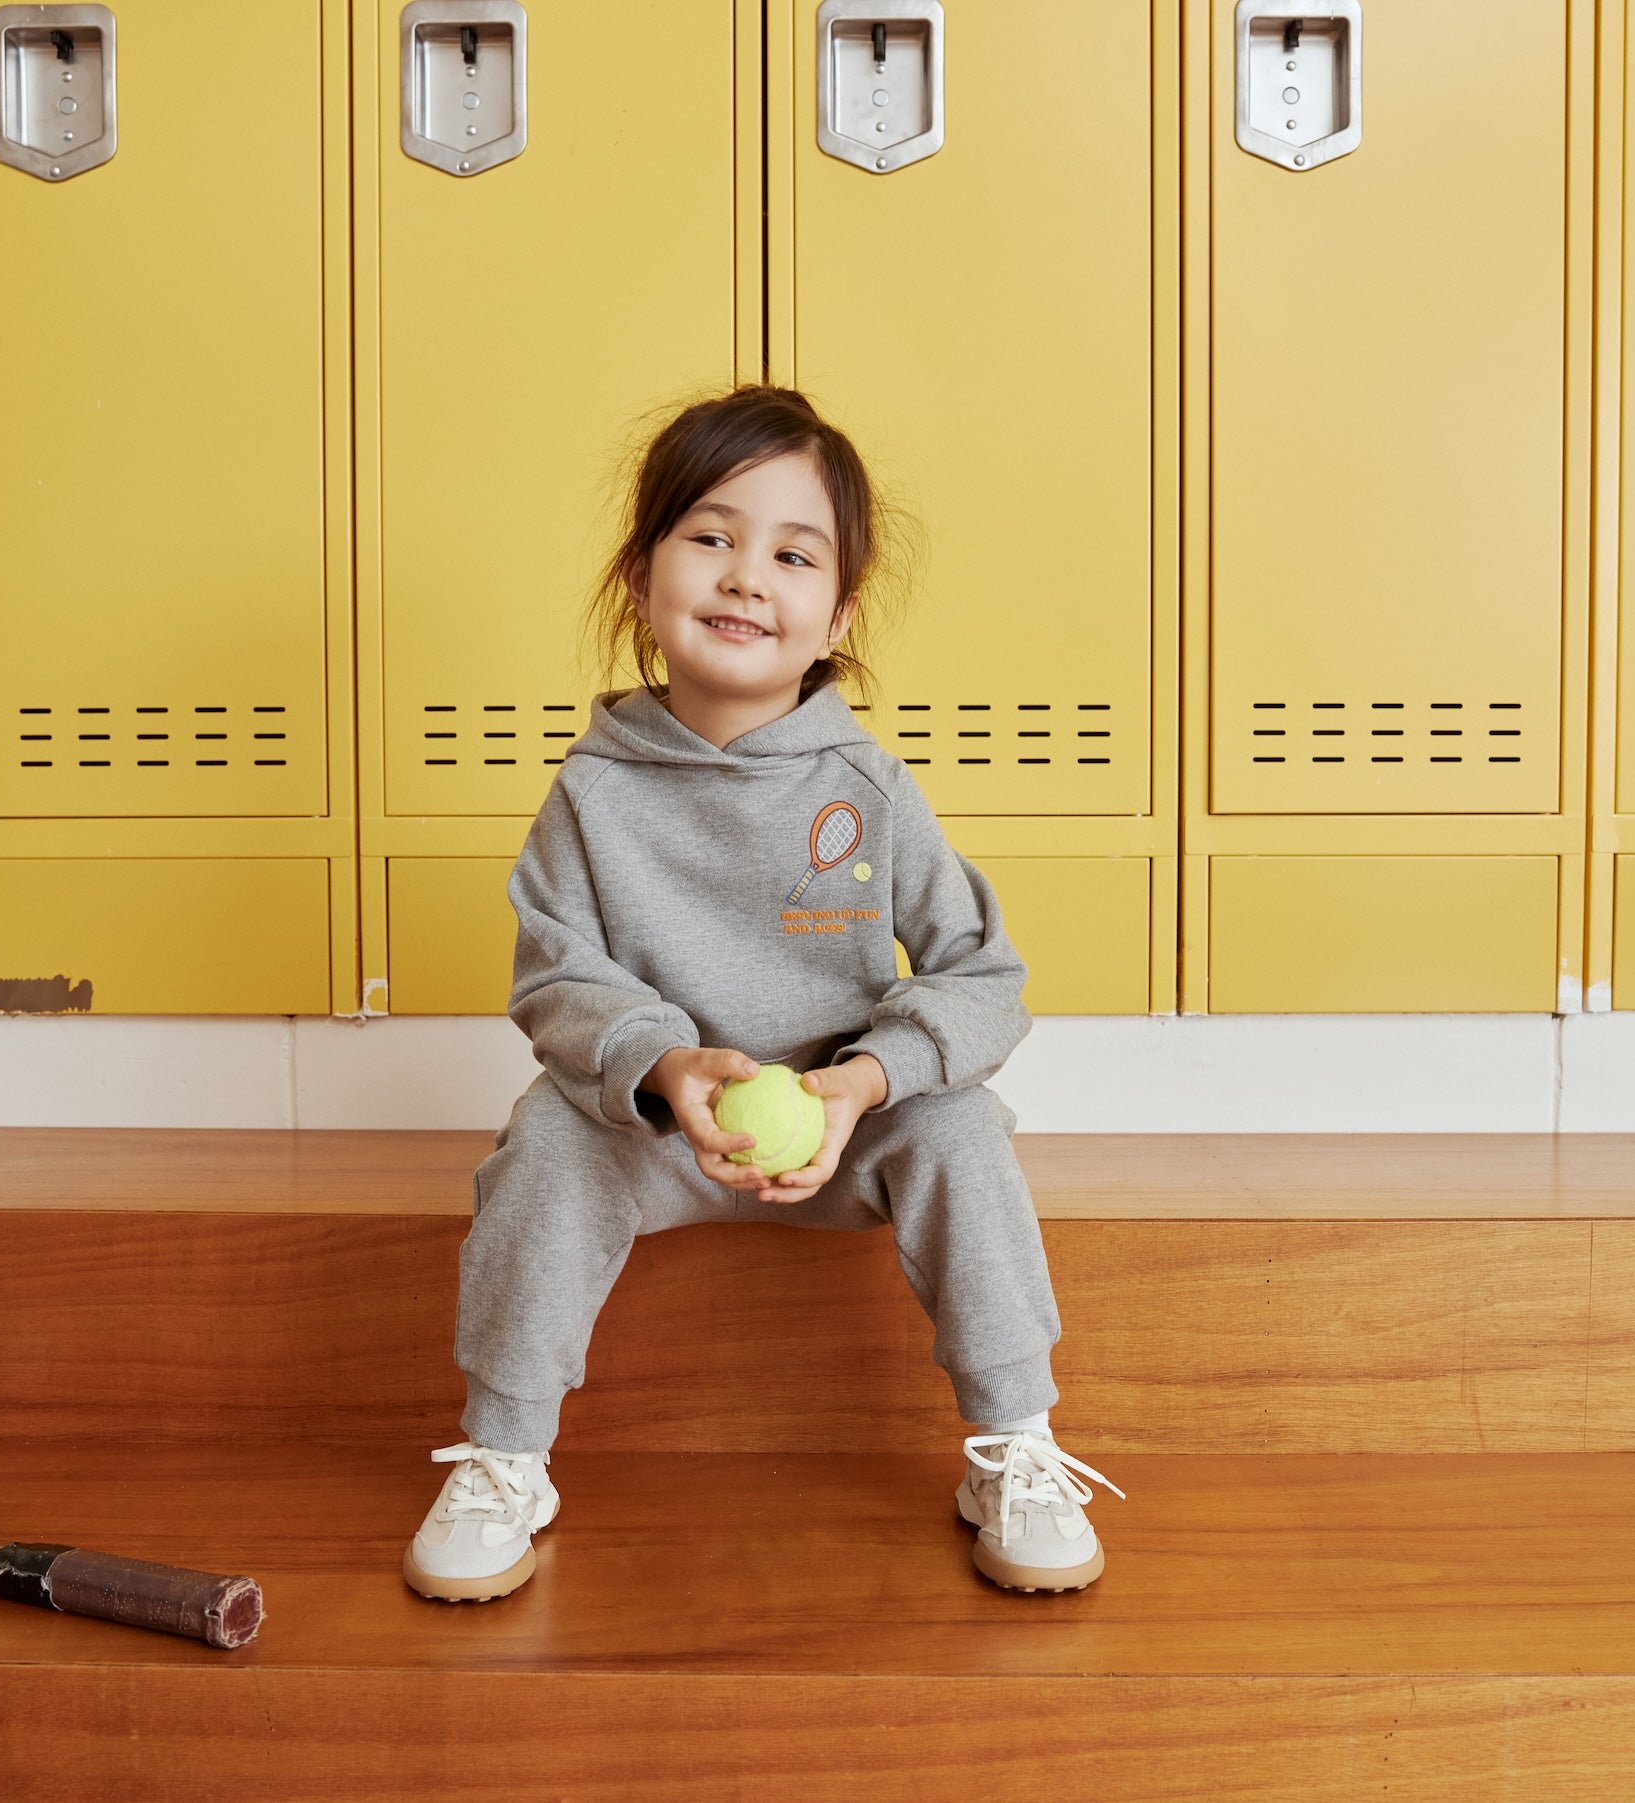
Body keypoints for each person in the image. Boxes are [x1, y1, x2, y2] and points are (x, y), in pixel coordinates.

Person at [401, 386, 1120, 1604]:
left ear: (834, 612)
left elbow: (983, 978)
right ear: (642, 575)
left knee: (958, 1133)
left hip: (845, 1132)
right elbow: (557, 974)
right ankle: (505, 1454)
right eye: (712, 537)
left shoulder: (869, 787)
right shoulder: (592, 792)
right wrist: (669, 1070)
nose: (746, 578)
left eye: (792, 555)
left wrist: (861, 1084)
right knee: (541, 1146)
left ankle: (1016, 1448)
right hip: (663, 1135)